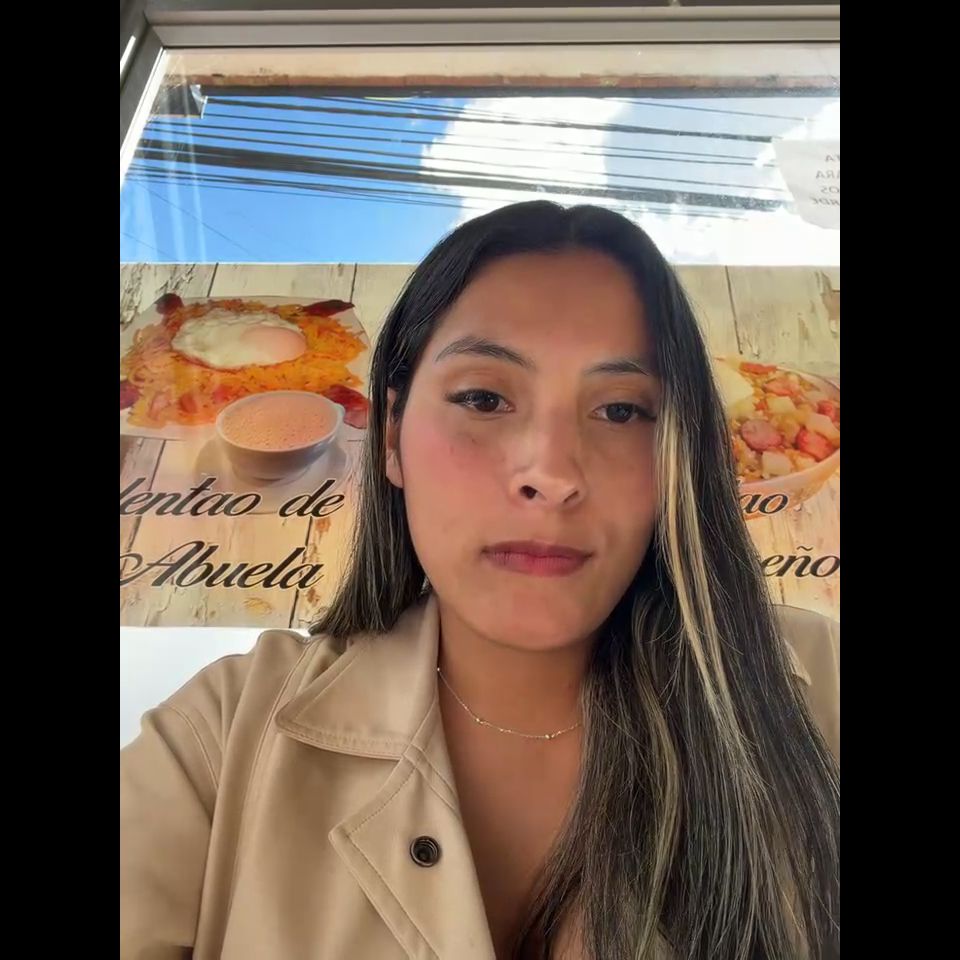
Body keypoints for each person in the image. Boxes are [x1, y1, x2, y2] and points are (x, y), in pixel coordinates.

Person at [120, 201, 840, 960]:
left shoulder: (819, 689)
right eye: (483, 399)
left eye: (622, 410)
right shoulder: (222, 736)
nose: (552, 474)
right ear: (391, 437)